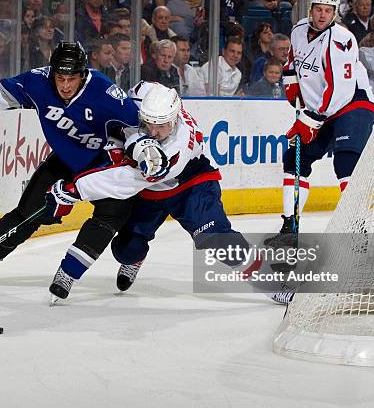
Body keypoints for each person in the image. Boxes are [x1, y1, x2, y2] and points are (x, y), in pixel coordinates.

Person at [0, 42, 168, 301]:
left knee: (110, 222)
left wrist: (144, 146)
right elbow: (2, 93)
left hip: (107, 166)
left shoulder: (105, 92)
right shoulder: (38, 82)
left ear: (83, 74)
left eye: (72, 78)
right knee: (24, 215)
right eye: (60, 78)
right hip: (65, 161)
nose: (65, 85)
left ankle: (70, 272)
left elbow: (134, 128)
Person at [44, 81, 262, 295]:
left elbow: (123, 181)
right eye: (150, 124)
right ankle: (136, 258)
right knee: (125, 250)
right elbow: (132, 97)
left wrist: (74, 190)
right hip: (152, 194)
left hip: (192, 186)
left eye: (162, 126)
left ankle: (272, 281)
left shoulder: (178, 148)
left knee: (216, 238)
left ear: (175, 118)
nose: (155, 132)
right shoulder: (149, 94)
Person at [264, 0, 374, 248]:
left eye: (328, 11)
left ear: (335, 13)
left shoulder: (342, 39)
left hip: (352, 103)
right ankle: (289, 228)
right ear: (310, 9)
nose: (322, 15)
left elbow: (340, 89)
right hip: (320, 109)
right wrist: (291, 85)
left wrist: (311, 119)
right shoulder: (298, 30)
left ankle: (358, 229)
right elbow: (292, 62)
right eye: (318, 9)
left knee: (345, 161)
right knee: (294, 159)